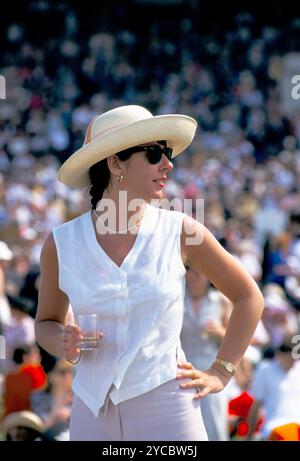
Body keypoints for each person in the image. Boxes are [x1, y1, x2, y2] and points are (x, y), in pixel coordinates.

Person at [35, 104, 264, 441]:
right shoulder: (60, 243)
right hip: (90, 409)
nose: (168, 164)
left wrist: (221, 371)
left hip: (169, 405)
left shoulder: (182, 230)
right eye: (155, 153)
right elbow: (45, 325)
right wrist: (62, 341)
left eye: (166, 152)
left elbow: (248, 297)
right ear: (115, 164)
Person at [247, 336, 300, 440]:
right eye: (290, 357)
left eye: (296, 357)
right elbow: (256, 405)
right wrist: (249, 435)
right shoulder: (265, 371)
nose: (293, 361)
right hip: (275, 428)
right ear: (279, 355)